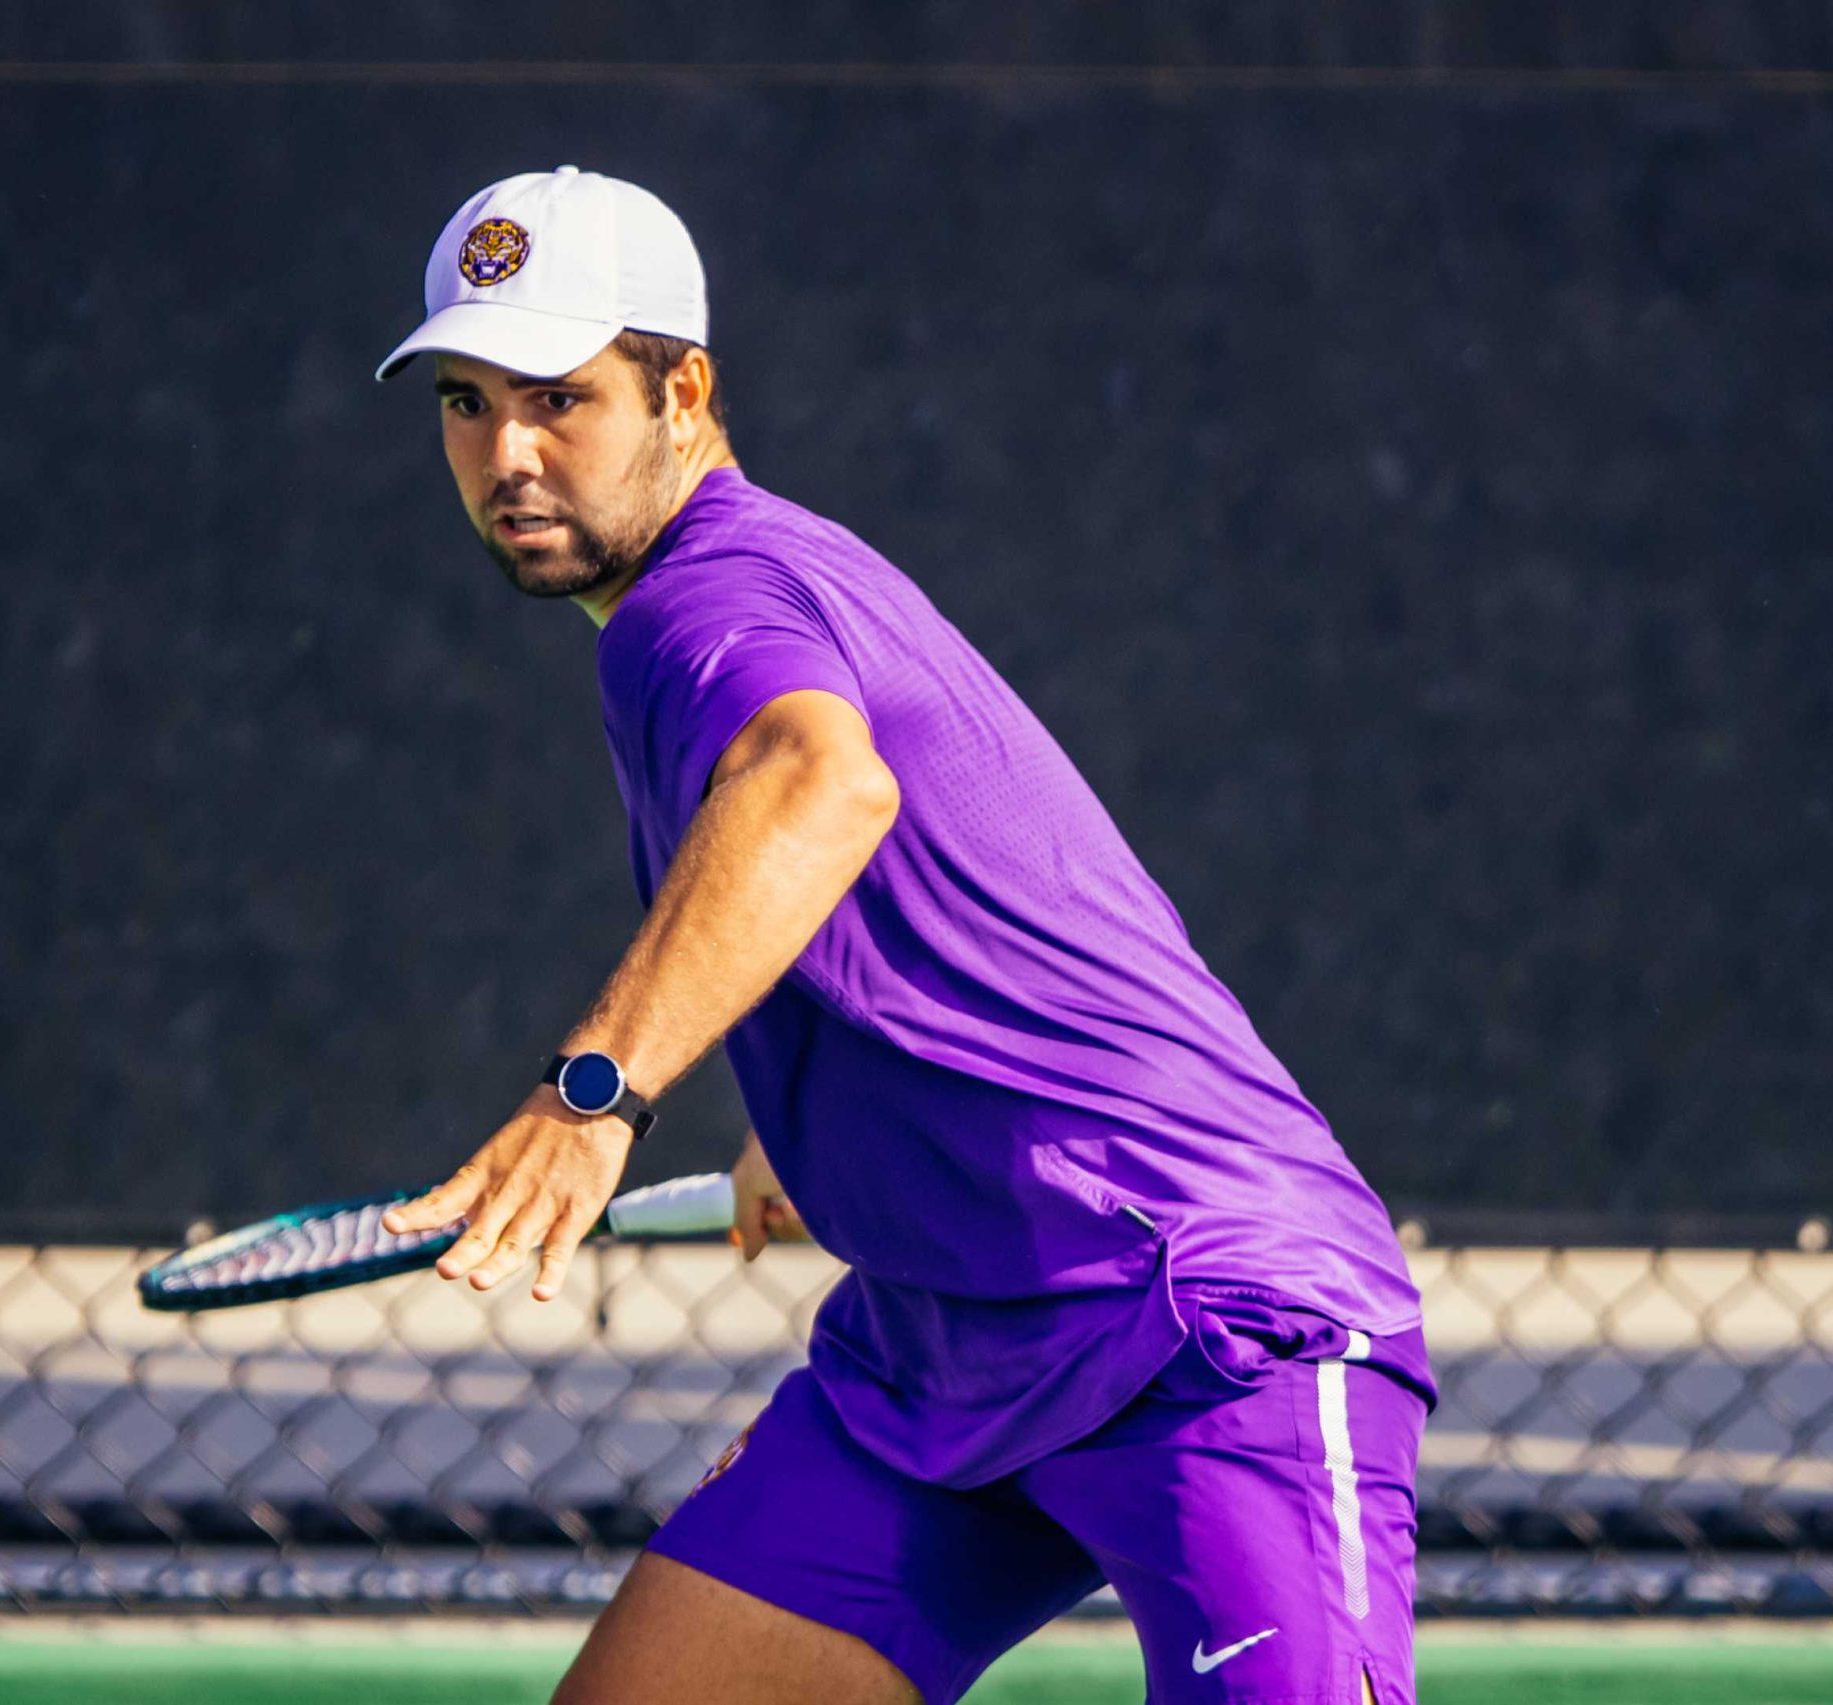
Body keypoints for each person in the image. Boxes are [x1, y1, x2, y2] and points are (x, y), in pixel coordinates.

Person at [376, 166, 1435, 1705]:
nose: (509, 454)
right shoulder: (727, 600)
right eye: (467, 403)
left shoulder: (702, 598)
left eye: (561, 397)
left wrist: (591, 1096)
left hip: (1196, 1316)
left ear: (685, 390)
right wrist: (820, 1130)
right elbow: (879, 900)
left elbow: (818, 783)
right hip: (940, 1355)